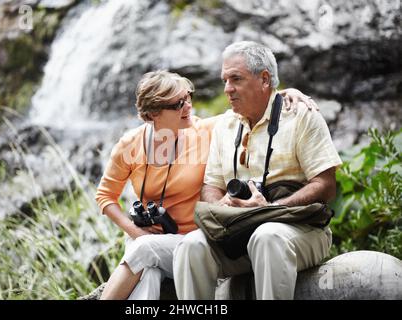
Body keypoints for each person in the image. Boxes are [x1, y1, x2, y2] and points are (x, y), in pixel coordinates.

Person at [95, 70, 317, 300]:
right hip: (145, 242)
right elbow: (105, 197)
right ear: (152, 114)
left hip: (193, 242)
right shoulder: (130, 144)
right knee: (148, 272)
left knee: (143, 251)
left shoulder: (208, 130)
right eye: (177, 104)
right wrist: (135, 231)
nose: (188, 106)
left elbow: (254, 106)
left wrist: (284, 93)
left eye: (188, 97)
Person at [173, 41, 343, 300]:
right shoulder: (224, 125)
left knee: (267, 236)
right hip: (239, 231)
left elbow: (326, 185)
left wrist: (271, 210)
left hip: (299, 229)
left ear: (264, 79)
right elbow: (211, 186)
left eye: (236, 79)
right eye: (225, 80)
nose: (227, 89)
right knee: (190, 245)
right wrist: (225, 203)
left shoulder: (301, 115)